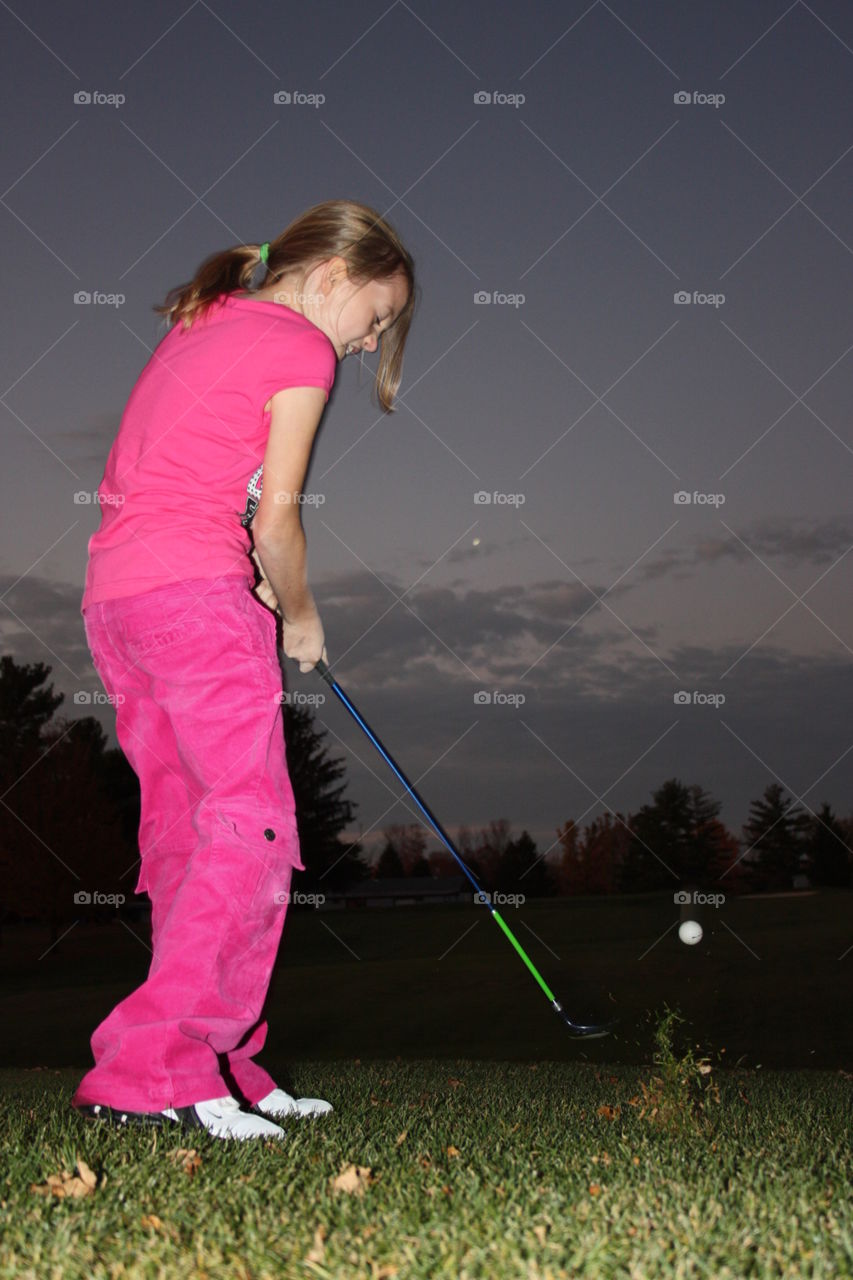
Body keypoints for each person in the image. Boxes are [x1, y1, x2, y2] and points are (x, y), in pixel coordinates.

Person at [71, 200, 416, 1140]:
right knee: (250, 827)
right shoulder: (300, 347)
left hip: (119, 603)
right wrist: (298, 613)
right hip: (193, 599)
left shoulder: (208, 316)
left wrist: (251, 578)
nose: (366, 342)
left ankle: (222, 1064)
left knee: (188, 831)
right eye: (376, 318)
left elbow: (193, 479)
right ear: (335, 277)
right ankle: (159, 1065)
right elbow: (277, 519)